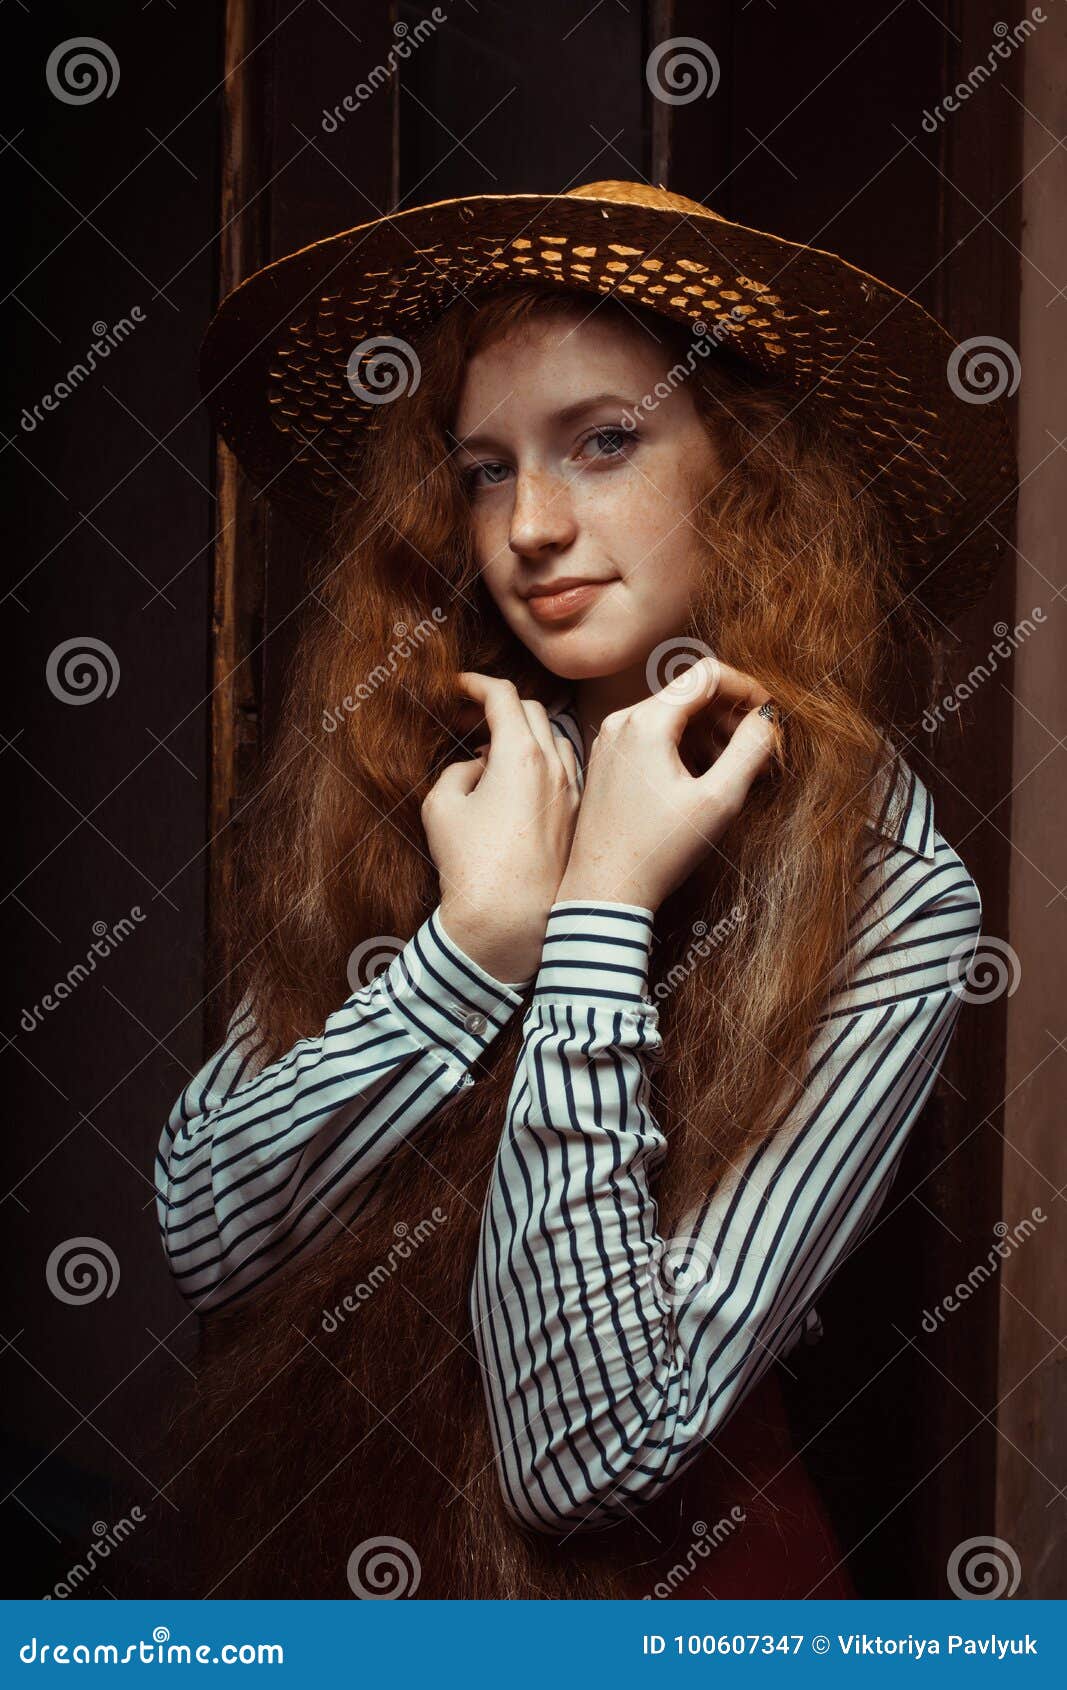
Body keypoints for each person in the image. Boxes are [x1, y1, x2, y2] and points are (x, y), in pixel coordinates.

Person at [148, 181, 1012, 1599]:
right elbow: (205, 1238)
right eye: (484, 466)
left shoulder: (887, 881)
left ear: (744, 467)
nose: (532, 523)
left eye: (603, 442)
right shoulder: (414, 759)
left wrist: (599, 911)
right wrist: (474, 945)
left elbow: (583, 1450)